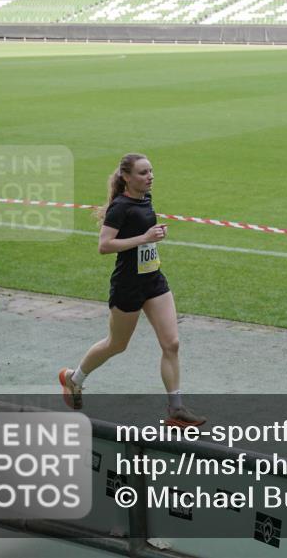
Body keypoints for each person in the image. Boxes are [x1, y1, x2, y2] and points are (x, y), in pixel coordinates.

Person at [59, 153, 206, 427]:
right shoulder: (120, 207)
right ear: (126, 177)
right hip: (128, 285)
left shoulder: (145, 198)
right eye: (142, 172)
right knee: (116, 344)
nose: (149, 176)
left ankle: (176, 410)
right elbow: (104, 245)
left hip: (153, 280)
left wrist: (154, 237)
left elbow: (142, 236)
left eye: (151, 171)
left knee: (171, 343)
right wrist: (145, 237)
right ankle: (73, 378)